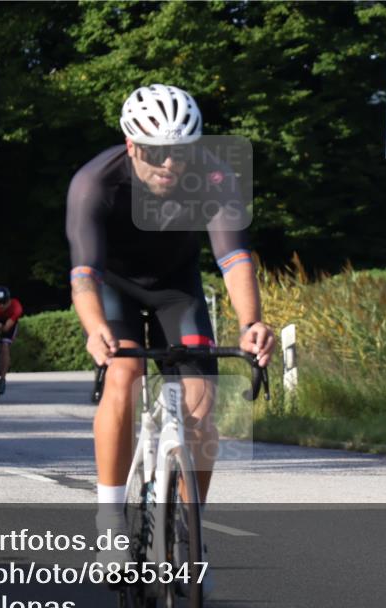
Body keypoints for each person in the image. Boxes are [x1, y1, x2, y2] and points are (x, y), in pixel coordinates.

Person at [66, 84, 275, 549]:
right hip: (113, 289)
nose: (169, 165)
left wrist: (251, 323)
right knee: (125, 372)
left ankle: (188, 532)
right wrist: (94, 327)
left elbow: (234, 256)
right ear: (132, 145)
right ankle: (110, 520)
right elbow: (84, 273)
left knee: (201, 407)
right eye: (157, 154)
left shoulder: (214, 177)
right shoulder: (94, 183)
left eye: (180, 154)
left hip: (176, 291)